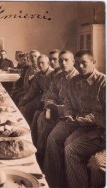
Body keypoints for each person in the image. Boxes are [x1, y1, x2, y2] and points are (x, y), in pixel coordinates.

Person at [43, 50, 105, 187]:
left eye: (84, 63)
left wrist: (88, 119)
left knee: (70, 147)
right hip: (76, 121)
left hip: (97, 127)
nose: (80, 66)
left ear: (94, 62)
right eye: (78, 63)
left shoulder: (103, 83)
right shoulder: (74, 81)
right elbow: (68, 103)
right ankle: (54, 182)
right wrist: (69, 115)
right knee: (53, 138)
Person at [34, 51, 79, 166]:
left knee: (52, 138)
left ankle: (53, 173)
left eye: (66, 60)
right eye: (61, 60)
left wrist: (57, 109)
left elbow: (76, 106)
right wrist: (49, 106)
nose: (63, 63)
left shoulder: (78, 79)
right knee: (42, 119)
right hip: (55, 111)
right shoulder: (58, 77)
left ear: (73, 62)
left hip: (70, 117)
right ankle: (41, 157)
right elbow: (50, 95)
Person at [18, 54, 54, 124]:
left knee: (37, 115)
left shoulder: (54, 74)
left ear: (48, 63)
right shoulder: (38, 75)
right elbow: (32, 90)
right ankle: (27, 127)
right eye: (38, 63)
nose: (40, 65)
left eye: (42, 63)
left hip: (50, 100)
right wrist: (24, 100)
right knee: (23, 108)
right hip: (41, 98)